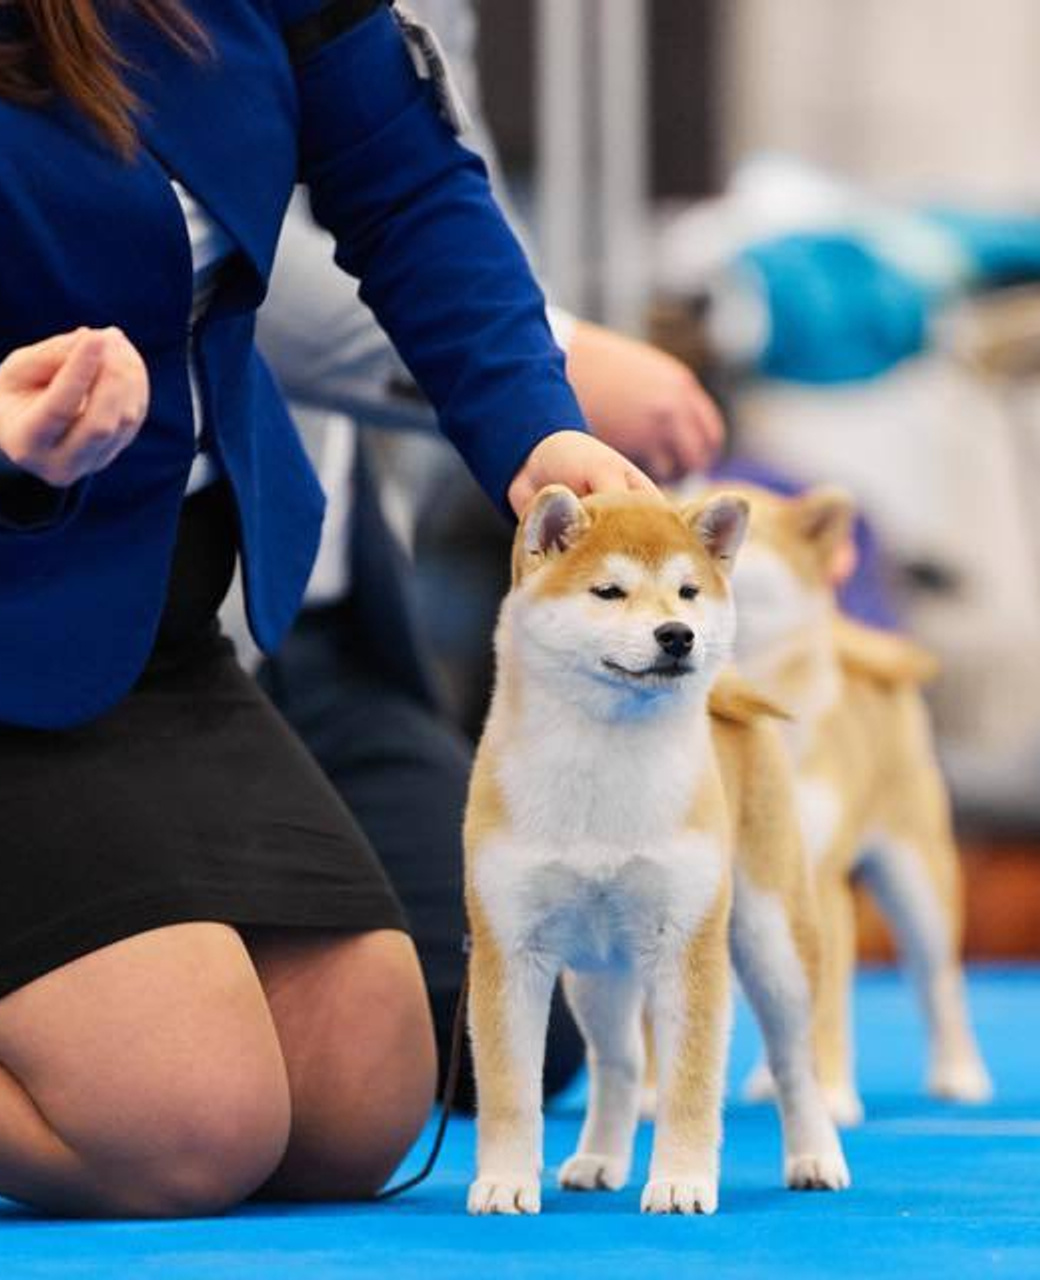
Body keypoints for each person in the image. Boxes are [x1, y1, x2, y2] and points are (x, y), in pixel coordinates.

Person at [0, 0, 652, 1219]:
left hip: (154, 612)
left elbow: (406, 181)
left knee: (363, 1095)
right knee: (184, 1124)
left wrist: (534, 425)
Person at [250, 0, 725, 1107]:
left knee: (505, 1027)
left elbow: (436, 202)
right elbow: (210, 249)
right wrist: (557, 361)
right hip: (153, 615)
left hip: (331, 626)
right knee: (196, 1098)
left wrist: (529, 387)